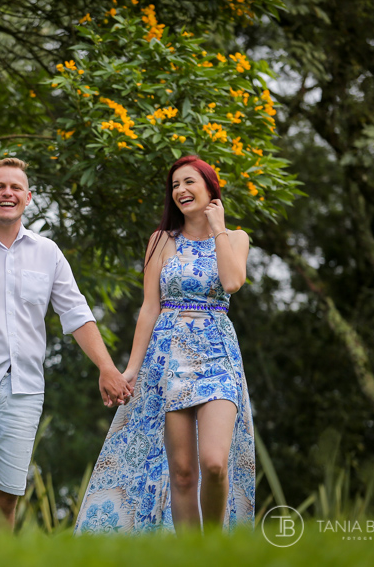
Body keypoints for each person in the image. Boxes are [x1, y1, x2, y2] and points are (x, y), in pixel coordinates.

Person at [0, 157, 132, 533]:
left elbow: (77, 315)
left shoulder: (48, 254)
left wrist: (107, 367)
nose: (7, 193)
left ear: (28, 198)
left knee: (5, 498)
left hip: (25, 387)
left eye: (15, 187)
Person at [74, 155, 255, 534]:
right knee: (184, 473)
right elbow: (149, 309)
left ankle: (215, 548)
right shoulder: (161, 241)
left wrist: (218, 226)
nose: (181, 191)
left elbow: (233, 281)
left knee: (214, 463)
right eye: (174, 185)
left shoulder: (237, 238)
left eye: (189, 182)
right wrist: (130, 371)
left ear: (210, 188)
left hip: (217, 353)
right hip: (168, 358)